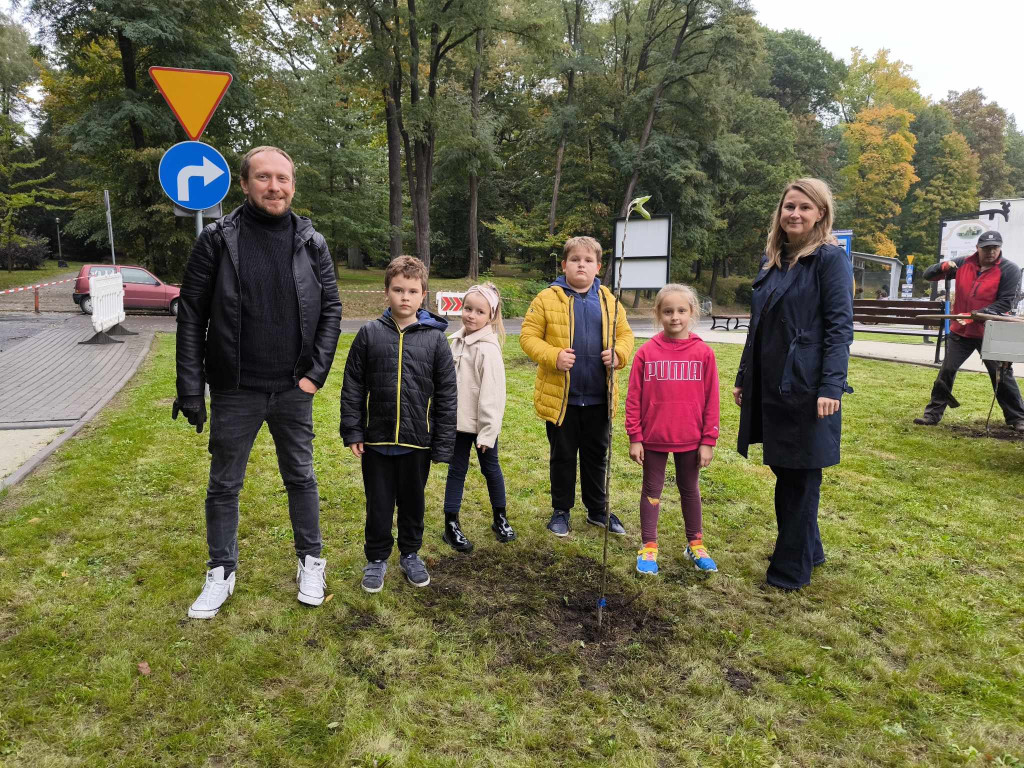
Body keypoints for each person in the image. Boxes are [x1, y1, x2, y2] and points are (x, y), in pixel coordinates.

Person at [174, 145, 342, 619]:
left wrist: (315, 375)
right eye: (264, 178)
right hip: (235, 389)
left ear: (293, 185)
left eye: (283, 178)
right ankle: (221, 571)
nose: (275, 187)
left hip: (294, 388)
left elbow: (331, 309)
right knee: (224, 484)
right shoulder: (216, 239)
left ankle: (311, 561)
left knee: (301, 477)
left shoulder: (312, 242)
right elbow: (191, 316)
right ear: (245, 185)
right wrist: (192, 387)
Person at [733, 178, 853, 591]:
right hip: (771, 385)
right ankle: (810, 549)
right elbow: (758, 327)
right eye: (789, 207)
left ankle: (789, 571)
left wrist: (831, 386)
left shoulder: (829, 259)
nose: (795, 214)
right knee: (786, 470)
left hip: (806, 385)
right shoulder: (773, 260)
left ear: (821, 213)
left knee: (800, 477)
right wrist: (743, 376)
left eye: (804, 207)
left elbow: (840, 328)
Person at [339, 256, 457, 593]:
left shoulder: (435, 341)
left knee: (412, 502)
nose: (405, 296)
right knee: (378, 502)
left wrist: (442, 442)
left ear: (423, 295)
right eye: (398, 289)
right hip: (376, 440)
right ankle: (376, 557)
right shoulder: (369, 334)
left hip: (417, 443)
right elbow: (353, 385)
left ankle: (410, 553)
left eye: (412, 290)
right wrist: (353, 429)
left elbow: (447, 394)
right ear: (387, 292)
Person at [520, 235, 634, 538]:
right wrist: (553, 356)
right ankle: (561, 510)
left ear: (598, 266)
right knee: (563, 456)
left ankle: (598, 510)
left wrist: (619, 353)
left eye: (587, 260)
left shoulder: (610, 301)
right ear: (564, 264)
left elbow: (625, 336)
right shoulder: (547, 298)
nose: (581, 265)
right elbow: (528, 337)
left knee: (597, 456)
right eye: (575, 259)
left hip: (599, 399)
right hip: (562, 400)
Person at [625, 284, 720, 576]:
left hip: (691, 440)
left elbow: (712, 400)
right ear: (658, 314)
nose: (674, 317)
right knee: (651, 490)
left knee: (689, 489)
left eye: (681, 310)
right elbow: (633, 399)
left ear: (692, 313)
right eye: (668, 311)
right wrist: (635, 437)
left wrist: (708, 440)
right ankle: (649, 547)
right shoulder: (646, 353)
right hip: (653, 439)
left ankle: (695, 543)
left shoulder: (703, 354)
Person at [913, 230, 1024, 431]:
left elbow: (1005, 303)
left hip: (991, 331)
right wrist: (942, 266)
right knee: (946, 371)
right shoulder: (963, 263)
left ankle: (1018, 418)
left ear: (1000, 248)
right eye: (986, 248)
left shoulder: (1010, 270)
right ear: (978, 248)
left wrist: (974, 315)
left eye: (995, 248)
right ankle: (932, 415)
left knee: (1001, 374)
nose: (991, 252)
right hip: (960, 333)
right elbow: (928, 275)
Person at [441, 282, 515, 553]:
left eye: (479, 311)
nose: (471, 315)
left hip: (482, 426)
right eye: (467, 308)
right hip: (457, 424)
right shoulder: (456, 342)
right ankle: (450, 523)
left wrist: (487, 432)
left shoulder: (488, 349)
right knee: (456, 470)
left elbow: (493, 396)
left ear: (491, 316)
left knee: (491, 469)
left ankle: (500, 517)